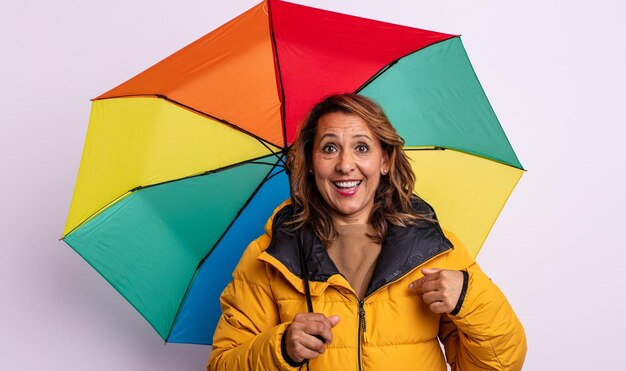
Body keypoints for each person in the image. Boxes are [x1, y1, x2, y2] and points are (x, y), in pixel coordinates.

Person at [207, 94, 527, 370]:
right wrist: (281, 349)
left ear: (385, 160)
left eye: (362, 148)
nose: (346, 165)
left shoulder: (436, 248)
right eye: (330, 148)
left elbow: (501, 364)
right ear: (310, 161)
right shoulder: (269, 257)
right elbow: (223, 364)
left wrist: (468, 298)